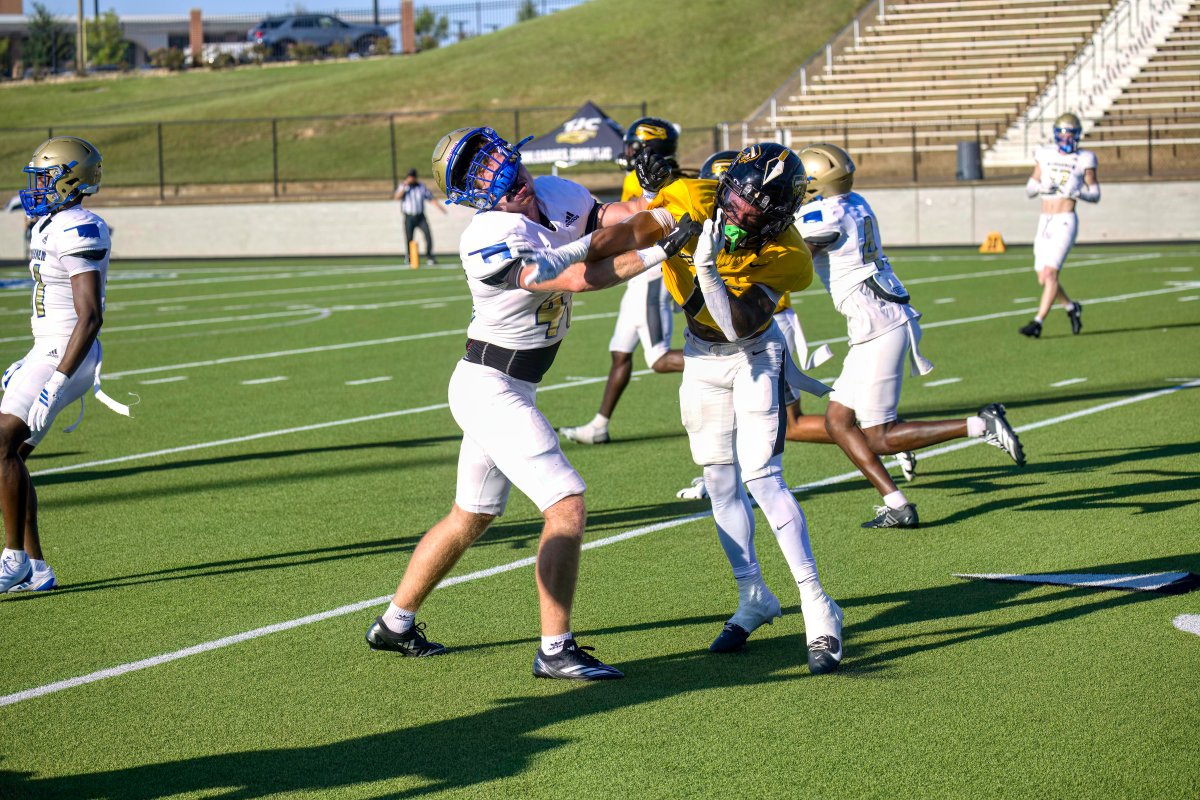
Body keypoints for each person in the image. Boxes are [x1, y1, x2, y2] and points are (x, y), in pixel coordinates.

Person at [365, 126, 692, 680]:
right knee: (566, 503)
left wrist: (660, 195)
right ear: (476, 198)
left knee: (471, 515)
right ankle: (555, 649)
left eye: (510, 171)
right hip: (490, 385)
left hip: (513, 383)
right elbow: (577, 276)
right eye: (496, 183)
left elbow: (621, 216)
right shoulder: (487, 237)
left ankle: (395, 623)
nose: (513, 184)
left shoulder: (555, 191)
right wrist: (659, 249)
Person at [533, 143, 847, 673]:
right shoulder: (692, 198)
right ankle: (753, 594)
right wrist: (566, 256)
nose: (739, 213)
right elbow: (626, 236)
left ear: (779, 217)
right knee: (719, 481)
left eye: (755, 210)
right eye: (737, 199)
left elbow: (739, 324)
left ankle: (818, 604)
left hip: (753, 354)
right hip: (700, 355)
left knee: (763, 478)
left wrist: (702, 266)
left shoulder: (788, 254)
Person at [791, 142, 1025, 529]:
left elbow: (795, 261)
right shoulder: (853, 202)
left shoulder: (821, 215)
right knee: (838, 421)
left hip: (878, 327)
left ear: (816, 183)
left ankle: (981, 424)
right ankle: (897, 504)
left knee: (880, 437)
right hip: (878, 321)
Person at [1, 136, 129, 593]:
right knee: (11, 457)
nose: (36, 186)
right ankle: (36, 569)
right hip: (48, 350)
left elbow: (89, 316)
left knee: (2, 444)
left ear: (70, 181)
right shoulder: (50, 223)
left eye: (45, 178)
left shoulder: (79, 226)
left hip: (66, 353)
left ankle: (13, 559)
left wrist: (55, 381)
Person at [558, 117, 684, 445]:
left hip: (650, 270)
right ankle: (599, 426)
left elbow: (634, 228)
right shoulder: (667, 176)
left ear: (649, 147)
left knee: (658, 359)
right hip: (639, 274)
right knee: (620, 352)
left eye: (634, 146)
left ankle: (729, 360)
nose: (628, 152)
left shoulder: (646, 179)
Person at [1019, 112, 1100, 338]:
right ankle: (1072, 308)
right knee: (1043, 277)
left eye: (1070, 135)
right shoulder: (1045, 154)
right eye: (1062, 135)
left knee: (1050, 273)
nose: (1066, 139)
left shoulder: (1084, 158)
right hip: (1045, 220)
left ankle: (1037, 322)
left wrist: (1079, 193)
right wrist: (1040, 188)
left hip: (1065, 219)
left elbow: (1095, 194)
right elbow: (1029, 189)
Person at [394, 168, 446, 266]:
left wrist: (440, 207)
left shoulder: (421, 186)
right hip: (409, 216)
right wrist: (405, 186)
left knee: (428, 235)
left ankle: (430, 256)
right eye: (410, 176)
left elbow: (430, 197)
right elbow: (397, 197)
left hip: (420, 216)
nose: (411, 178)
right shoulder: (404, 186)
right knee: (409, 238)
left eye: (413, 177)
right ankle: (409, 257)